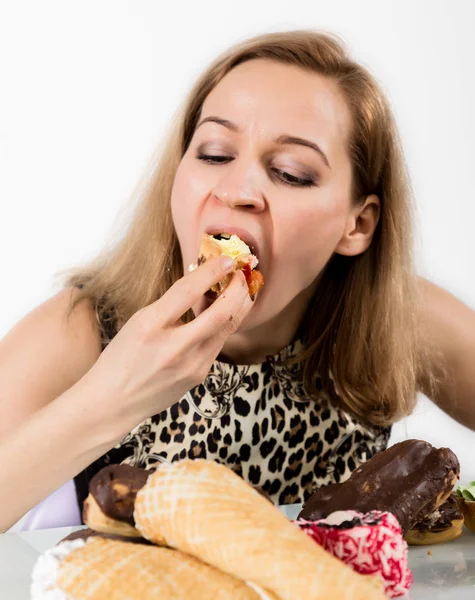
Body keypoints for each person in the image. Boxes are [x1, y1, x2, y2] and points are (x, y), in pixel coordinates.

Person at [1, 29, 474, 533]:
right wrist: (110, 399)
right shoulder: (79, 331)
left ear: (356, 224)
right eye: (214, 153)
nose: (238, 190)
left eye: (291, 173)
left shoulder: (399, 319)